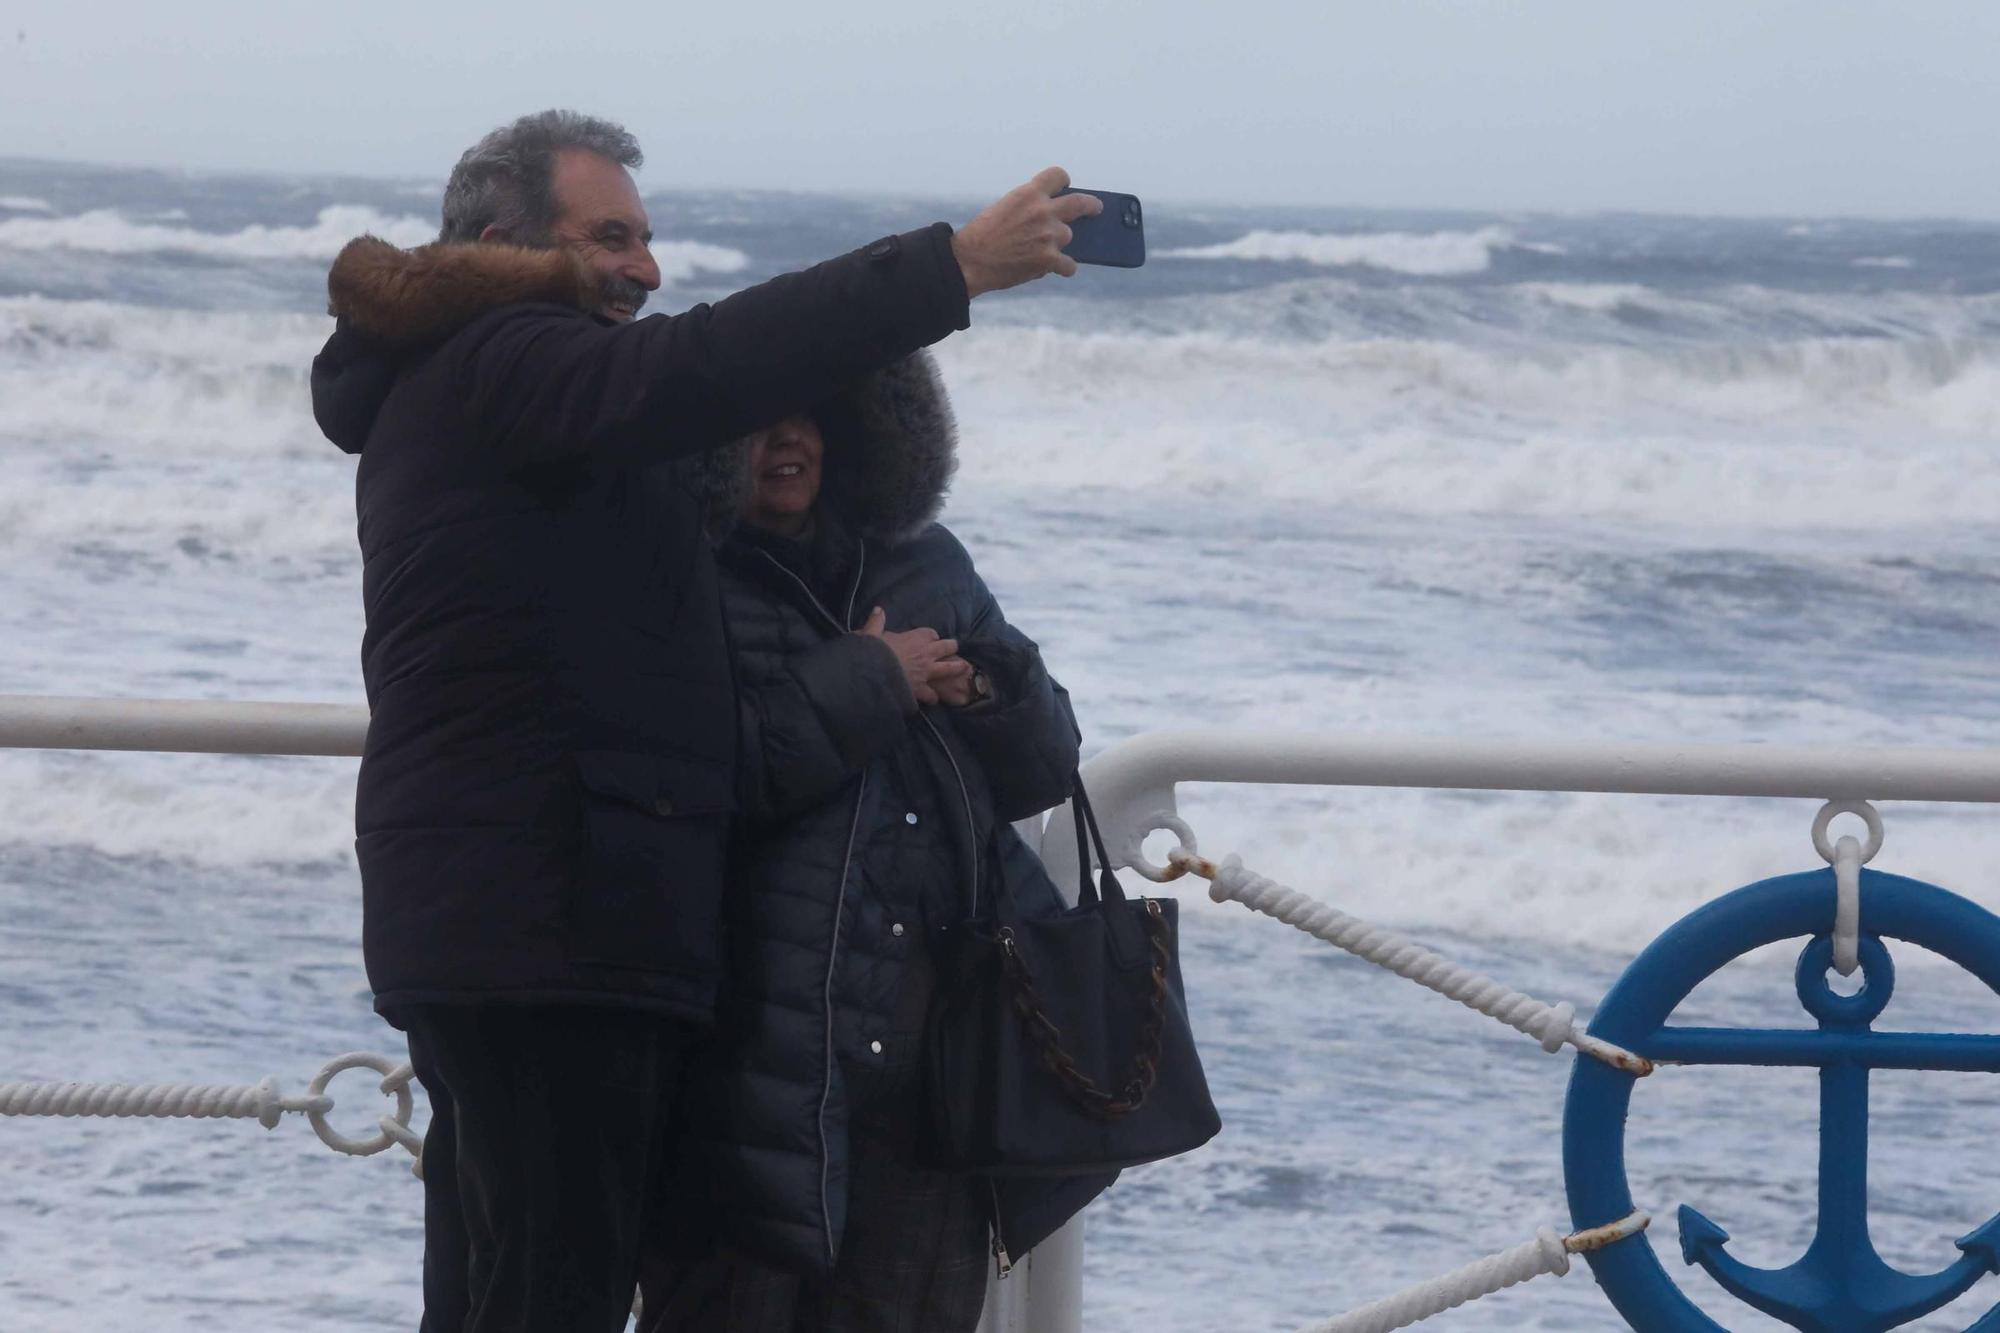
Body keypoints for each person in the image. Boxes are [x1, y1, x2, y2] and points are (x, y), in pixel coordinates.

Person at [306, 107, 1102, 1333]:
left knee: (496, 1286)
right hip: (546, 924)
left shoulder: (495, 385)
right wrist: (949, 266)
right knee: (540, 1293)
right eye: (611, 237)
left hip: (536, 921)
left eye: (649, 236)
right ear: (510, 242)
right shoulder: (511, 358)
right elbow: (699, 370)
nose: (646, 267)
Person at [642, 354, 1105, 1332]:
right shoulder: (674, 568)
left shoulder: (920, 558)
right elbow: (710, 773)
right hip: (754, 1050)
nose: (789, 440)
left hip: (936, 1041)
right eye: (757, 420)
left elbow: (1045, 761)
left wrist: (983, 685)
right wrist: (873, 674)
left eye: (813, 416)